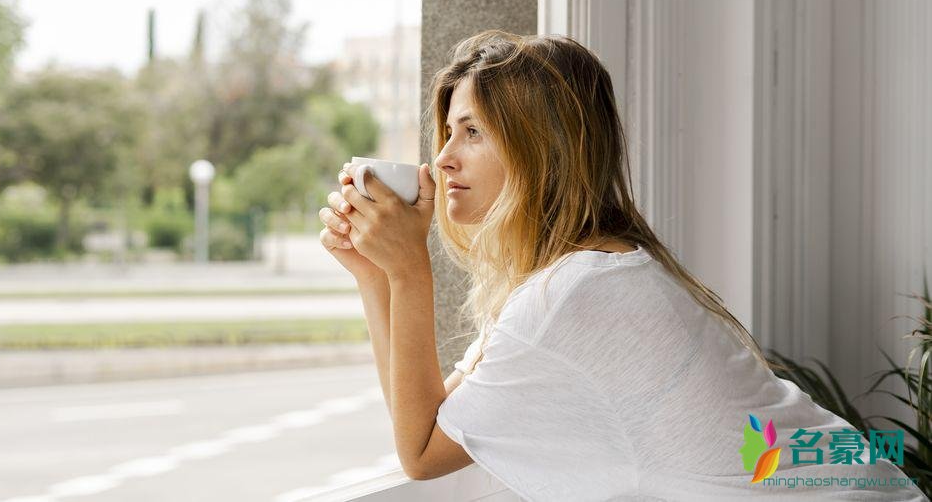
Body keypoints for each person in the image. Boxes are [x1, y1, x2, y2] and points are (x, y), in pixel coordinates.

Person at [317, 30, 928, 501]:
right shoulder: (578, 276)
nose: (443, 159)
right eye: (447, 134)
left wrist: (407, 271)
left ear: (543, 148)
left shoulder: (577, 296)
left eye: (472, 132)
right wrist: (374, 273)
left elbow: (422, 452)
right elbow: (430, 415)